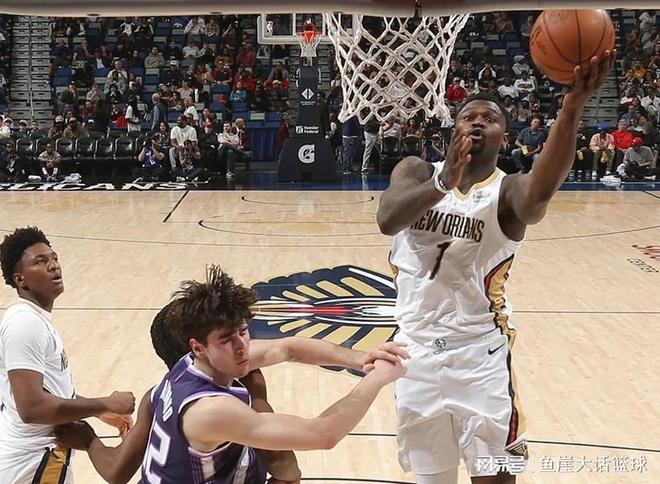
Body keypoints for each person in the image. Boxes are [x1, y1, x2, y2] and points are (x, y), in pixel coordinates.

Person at [376, 51, 614, 483]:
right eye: (469, 116)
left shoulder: (507, 191)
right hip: (414, 354)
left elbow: (540, 194)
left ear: (504, 136)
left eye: (490, 118)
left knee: (495, 476)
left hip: (479, 357)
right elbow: (388, 219)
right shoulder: (415, 170)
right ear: (454, 129)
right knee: (432, 478)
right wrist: (443, 182)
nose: (478, 122)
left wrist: (571, 109)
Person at [55, 266, 408, 483]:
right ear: (198, 347)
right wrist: (376, 378)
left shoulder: (191, 366)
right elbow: (323, 434)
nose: (242, 347)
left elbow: (287, 348)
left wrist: (361, 358)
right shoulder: (210, 410)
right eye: (227, 339)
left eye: (243, 331)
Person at [0, 227, 135, 483]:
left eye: (54, 258)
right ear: (21, 280)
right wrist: (105, 403)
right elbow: (32, 408)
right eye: (40, 261)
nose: (53, 266)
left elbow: (48, 392)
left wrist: (93, 411)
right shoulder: (25, 323)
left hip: (37, 459)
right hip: (34, 464)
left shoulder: (32, 318)